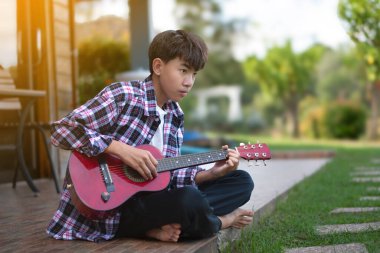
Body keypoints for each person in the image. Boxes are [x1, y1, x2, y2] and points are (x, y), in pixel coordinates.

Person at [46, 29, 254, 243]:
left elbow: (167, 175)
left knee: (241, 182)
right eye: (183, 70)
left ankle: (160, 225)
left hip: (148, 203)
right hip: (110, 206)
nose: (189, 82)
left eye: (194, 74)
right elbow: (62, 130)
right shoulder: (123, 96)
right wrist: (119, 149)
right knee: (190, 201)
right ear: (158, 66)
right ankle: (221, 221)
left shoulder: (175, 115)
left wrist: (211, 174)